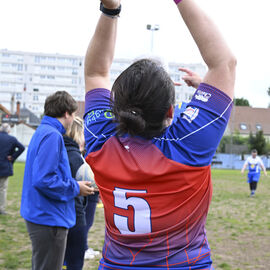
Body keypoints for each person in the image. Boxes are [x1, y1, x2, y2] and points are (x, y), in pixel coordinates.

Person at [83, 0, 236, 269]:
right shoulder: (188, 144)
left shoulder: (101, 142)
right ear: (170, 110)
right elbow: (224, 63)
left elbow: (96, 73)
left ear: (116, 107)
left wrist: (110, 9)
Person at [20, 91, 94, 270]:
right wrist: (76, 188)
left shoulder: (43, 131)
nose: (74, 118)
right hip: (49, 218)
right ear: (67, 113)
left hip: (42, 214)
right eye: (74, 114)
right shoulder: (52, 135)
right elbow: (44, 179)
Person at [0, 123, 25, 215]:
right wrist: (13, 157)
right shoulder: (11, 139)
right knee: (2, 189)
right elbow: (21, 148)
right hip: (5, 166)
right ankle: (1, 209)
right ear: (9, 130)